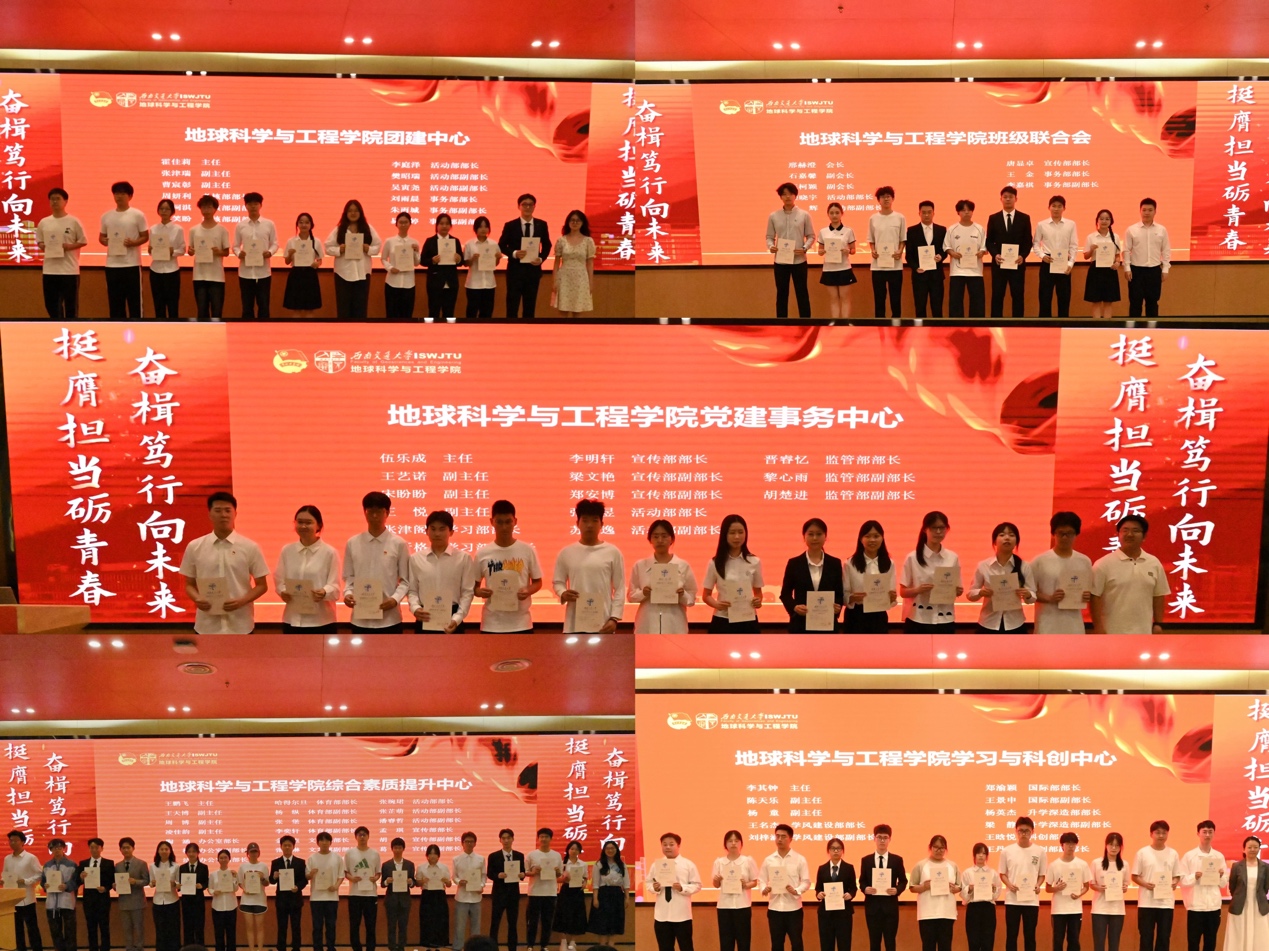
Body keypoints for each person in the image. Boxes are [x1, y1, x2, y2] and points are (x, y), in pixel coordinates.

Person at [179, 491, 269, 635]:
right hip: (207, 625)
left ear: (235, 514)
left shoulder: (250, 547)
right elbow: (189, 584)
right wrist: (197, 598)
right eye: (218, 510)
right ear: (209, 514)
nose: (223, 515)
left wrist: (241, 601)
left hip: (241, 624)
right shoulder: (195, 546)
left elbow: (262, 585)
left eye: (228, 510)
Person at [552, 499, 625, 635]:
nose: (590, 525)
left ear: (602, 524)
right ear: (577, 523)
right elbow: (558, 582)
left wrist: (614, 618)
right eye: (585, 520)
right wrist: (563, 593)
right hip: (574, 624)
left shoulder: (613, 552)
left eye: (595, 520)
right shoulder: (566, 552)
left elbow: (620, 588)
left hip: (603, 623)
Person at [342, 490, 409, 632]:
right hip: (360, 619)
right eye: (370, 511)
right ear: (364, 512)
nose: (374, 516)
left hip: (390, 619)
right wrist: (348, 594)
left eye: (379, 511)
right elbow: (349, 577)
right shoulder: (353, 543)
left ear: (387, 513)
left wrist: (395, 599)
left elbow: (405, 580)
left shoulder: (399, 544)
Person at [1090, 515, 1169, 634]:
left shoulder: (1154, 563)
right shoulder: (1103, 564)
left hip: (1144, 632)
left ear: (1144, 536)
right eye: (1125, 530)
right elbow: (1094, 597)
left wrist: (1158, 623)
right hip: (1112, 633)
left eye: (1135, 531)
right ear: (1118, 534)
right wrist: (1098, 627)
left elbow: (1158, 595)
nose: (1130, 534)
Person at [474, 500, 543, 633]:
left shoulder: (527, 550)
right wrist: (480, 592)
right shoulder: (482, 553)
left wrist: (527, 591)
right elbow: (474, 587)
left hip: (521, 623)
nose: (504, 527)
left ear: (515, 521)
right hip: (491, 624)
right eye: (499, 522)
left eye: (508, 522)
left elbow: (538, 582)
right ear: (491, 522)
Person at [407, 510, 478, 633]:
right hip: (424, 616)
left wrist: (457, 618)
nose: (437, 533)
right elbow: (412, 590)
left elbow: (467, 592)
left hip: (453, 618)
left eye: (442, 529)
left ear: (451, 532)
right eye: (433, 529)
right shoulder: (415, 559)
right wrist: (415, 608)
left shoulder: (463, 558)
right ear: (426, 531)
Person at [274, 505, 340, 633]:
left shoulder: (329, 552)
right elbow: (279, 579)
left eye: (308, 522)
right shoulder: (287, 551)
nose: (303, 526)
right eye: (300, 522)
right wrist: (282, 591)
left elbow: (335, 586)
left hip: (322, 621)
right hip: (292, 619)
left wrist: (324, 592)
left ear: (319, 525)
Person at [629, 519, 699, 634]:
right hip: (647, 624)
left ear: (672, 539)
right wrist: (643, 593)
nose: (660, 540)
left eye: (664, 536)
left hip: (675, 624)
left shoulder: (683, 565)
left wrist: (682, 595)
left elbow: (691, 599)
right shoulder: (640, 565)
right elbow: (631, 596)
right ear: (650, 539)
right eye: (655, 536)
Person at [1031, 512, 1094, 634]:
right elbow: (1029, 593)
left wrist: (1087, 595)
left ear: (1076, 534)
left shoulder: (1084, 561)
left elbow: (1088, 589)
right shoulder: (1039, 561)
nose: (1065, 537)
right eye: (1061, 533)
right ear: (1053, 534)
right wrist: (1050, 598)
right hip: (1047, 624)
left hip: (1074, 625)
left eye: (1069, 533)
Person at [899, 511, 962, 633]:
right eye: (934, 528)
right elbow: (903, 592)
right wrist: (918, 590)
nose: (938, 532)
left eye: (942, 528)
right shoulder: (912, 557)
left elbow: (957, 588)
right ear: (925, 529)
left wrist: (957, 591)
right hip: (918, 619)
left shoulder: (953, 557)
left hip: (945, 619)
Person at [779, 518, 844, 633]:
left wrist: (837, 606)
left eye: (819, 534)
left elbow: (839, 593)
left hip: (827, 624)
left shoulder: (835, 563)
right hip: (800, 624)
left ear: (825, 536)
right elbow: (785, 594)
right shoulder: (794, 563)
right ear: (804, 537)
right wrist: (794, 607)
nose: (815, 538)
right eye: (810, 534)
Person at [967, 522, 1035, 633]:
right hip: (988, 622)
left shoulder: (1024, 566)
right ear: (994, 541)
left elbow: (1032, 597)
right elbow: (970, 595)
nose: (1007, 538)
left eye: (1011, 535)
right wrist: (980, 592)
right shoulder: (983, 566)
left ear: (1016, 541)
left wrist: (1027, 594)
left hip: (1015, 623)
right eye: (1002, 535)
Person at [702, 514, 764, 633]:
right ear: (724, 535)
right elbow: (706, 595)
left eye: (741, 532)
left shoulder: (754, 561)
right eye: (732, 533)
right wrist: (716, 604)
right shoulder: (714, 563)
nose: (737, 537)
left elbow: (758, 593)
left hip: (748, 618)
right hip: (722, 619)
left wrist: (758, 601)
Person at [98, 181, 148, 319]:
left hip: (132, 264)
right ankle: (117, 329)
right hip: (112, 265)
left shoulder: (137, 215)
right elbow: (101, 237)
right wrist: (104, 241)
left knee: (134, 302)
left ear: (130, 196)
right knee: (115, 303)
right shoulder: (106, 216)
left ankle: (137, 328)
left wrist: (133, 243)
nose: (118, 196)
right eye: (116, 193)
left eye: (122, 193)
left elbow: (145, 236)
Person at [36, 187, 88, 319]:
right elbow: (40, 242)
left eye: (58, 199)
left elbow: (83, 241)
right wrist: (44, 246)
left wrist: (69, 246)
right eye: (52, 199)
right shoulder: (44, 222)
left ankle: (71, 329)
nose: (54, 201)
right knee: (51, 305)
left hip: (69, 270)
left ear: (65, 201)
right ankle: (56, 329)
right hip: (50, 270)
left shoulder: (73, 221)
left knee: (71, 306)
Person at [766, 182, 815, 319]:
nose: (787, 197)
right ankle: (782, 323)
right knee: (782, 293)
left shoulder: (804, 215)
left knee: (802, 292)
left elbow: (811, 236)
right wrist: (771, 246)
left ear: (795, 195)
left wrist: (804, 248)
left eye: (790, 194)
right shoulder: (774, 216)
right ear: (780, 197)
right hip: (780, 261)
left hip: (799, 261)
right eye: (784, 194)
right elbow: (769, 237)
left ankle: (806, 322)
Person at [758, 824, 811, 951]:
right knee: (776, 944)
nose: (779, 839)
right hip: (775, 908)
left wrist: (796, 890)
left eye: (783, 836)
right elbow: (761, 880)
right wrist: (764, 888)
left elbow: (806, 882)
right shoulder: (768, 860)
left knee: (796, 943)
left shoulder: (800, 859)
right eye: (777, 836)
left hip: (794, 909)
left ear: (790, 838)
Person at [326, 199, 381, 319]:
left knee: (360, 308)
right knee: (343, 308)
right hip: (343, 273)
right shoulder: (339, 229)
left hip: (362, 273)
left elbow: (377, 246)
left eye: (356, 210)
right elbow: (327, 247)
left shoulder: (368, 228)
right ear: (345, 213)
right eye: (350, 211)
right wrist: (339, 250)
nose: (353, 213)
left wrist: (368, 249)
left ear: (360, 213)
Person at [499, 194, 551, 318]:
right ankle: (511, 329)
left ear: (534, 207)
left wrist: (541, 258)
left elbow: (547, 245)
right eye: (524, 204)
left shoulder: (541, 224)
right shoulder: (510, 225)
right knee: (512, 306)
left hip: (533, 272)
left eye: (530, 205)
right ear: (519, 206)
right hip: (515, 272)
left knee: (530, 307)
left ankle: (528, 329)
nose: (527, 207)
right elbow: (501, 245)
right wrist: (514, 253)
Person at [1132, 821, 1181, 951]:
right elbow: (1135, 876)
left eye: (1164, 833)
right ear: (1151, 834)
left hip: (1166, 903)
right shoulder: (1142, 853)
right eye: (1157, 832)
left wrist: (1175, 882)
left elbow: (1177, 875)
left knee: (1164, 938)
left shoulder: (1173, 853)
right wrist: (1146, 884)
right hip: (1146, 903)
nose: (1161, 835)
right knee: (1146, 937)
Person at [1000, 817, 1046, 951]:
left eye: (1027, 831)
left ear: (1032, 832)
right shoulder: (1007, 851)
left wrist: (1038, 885)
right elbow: (1002, 874)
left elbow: (1042, 875)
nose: (1024, 833)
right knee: (1011, 935)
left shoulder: (1040, 851)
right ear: (1016, 831)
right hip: (1012, 900)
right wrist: (1009, 885)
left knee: (1030, 936)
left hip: (1031, 901)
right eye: (1021, 831)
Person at [986, 186, 1032, 318]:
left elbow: (1028, 241)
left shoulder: (1024, 218)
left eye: (1010, 197)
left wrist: (1022, 256)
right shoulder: (993, 218)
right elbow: (989, 241)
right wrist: (995, 254)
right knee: (997, 296)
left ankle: (1018, 324)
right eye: (1005, 197)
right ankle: (995, 324)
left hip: (1017, 264)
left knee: (1017, 296)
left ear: (1016, 199)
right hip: (999, 264)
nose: (1007, 199)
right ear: (1000, 199)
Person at [908, 836, 960, 951]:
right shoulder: (921, 865)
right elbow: (912, 887)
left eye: (942, 848)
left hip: (946, 913)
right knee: (928, 946)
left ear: (946, 849)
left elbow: (959, 886)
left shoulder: (952, 865)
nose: (939, 850)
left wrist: (953, 888)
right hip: (927, 914)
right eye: (936, 847)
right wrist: (924, 887)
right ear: (930, 847)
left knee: (945, 947)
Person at [1181, 821, 1228, 951]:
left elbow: (1224, 883)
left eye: (1210, 832)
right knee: (1193, 942)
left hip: (1213, 906)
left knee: (1211, 942)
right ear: (1198, 833)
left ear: (1214, 834)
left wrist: (1220, 876)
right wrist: (1194, 877)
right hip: (1195, 906)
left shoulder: (1218, 856)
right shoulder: (1189, 856)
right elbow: (1182, 880)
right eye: (1204, 832)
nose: (1207, 835)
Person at [844, 520, 897, 633]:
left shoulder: (889, 563)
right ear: (860, 539)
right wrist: (852, 598)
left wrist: (892, 598)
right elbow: (844, 593)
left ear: (882, 538)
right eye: (867, 536)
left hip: (879, 615)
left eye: (876, 536)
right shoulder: (850, 563)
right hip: (856, 616)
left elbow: (891, 593)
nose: (872, 540)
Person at [651, 833, 701, 951]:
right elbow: (649, 882)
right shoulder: (656, 865)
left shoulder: (688, 865)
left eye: (671, 844)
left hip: (682, 915)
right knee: (664, 948)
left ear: (678, 845)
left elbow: (697, 885)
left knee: (686, 947)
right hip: (662, 915)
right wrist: (655, 887)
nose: (668, 847)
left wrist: (682, 888)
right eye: (664, 844)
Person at [860, 825, 906, 951]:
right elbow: (862, 881)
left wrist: (897, 890)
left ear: (889, 839)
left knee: (890, 942)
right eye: (879, 837)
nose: (882, 840)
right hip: (872, 908)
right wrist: (865, 889)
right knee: (874, 943)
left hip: (890, 908)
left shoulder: (897, 860)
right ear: (874, 838)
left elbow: (903, 881)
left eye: (885, 837)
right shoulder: (866, 860)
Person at [1123, 199, 1170, 318]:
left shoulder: (1161, 230)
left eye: (1150, 210)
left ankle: (1152, 328)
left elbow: (1165, 250)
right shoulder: (1131, 229)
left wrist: (1165, 269)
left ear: (1155, 211)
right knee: (1135, 303)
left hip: (1154, 271)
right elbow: (1126, 250)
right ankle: (1134, 328)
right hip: (1136, 271)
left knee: (1152, 303)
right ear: (1140, 211)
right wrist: (1127, 268)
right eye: (1144, 210)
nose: (1147, 213)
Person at [234, 191, 278, 319]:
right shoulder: (240, 225)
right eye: (250, 204)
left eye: (256, 203)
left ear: (260, 205)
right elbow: (235, 246)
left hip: (264, 272)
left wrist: (269, 252)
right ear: (245, 206)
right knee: (247, 307)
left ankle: (264, 330)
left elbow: (275, 244)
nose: (253, 206)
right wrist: (239, 253)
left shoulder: (269, 224)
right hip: (245, 273)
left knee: (264, 306)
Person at [713, 831, 758, 951]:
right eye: (730, 841)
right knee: (726, 942)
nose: (733, 843)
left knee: (744, 941)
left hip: (742, 905)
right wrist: (717, 880)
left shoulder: (748, 861)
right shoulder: (719, 862)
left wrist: (745, 885)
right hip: (724, 906)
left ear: (741, 844)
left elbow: (754, 881)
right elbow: (716, 885)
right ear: (725, 844)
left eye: (736, 841)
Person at [1034, 195, 1078, 318]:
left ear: (1064, 208)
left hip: (1064, 263)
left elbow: (1074, 246)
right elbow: (1036, 243)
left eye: (1059, 206)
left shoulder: (1071, 224)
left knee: (1064, 298)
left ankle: (1063, 324)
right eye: (1054, 206)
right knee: (1045, 297)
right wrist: (1042, 255)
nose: (1056, 209)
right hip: (1047, 261)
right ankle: (1045, 326)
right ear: (1049, 207)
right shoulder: (1041, 224)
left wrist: (1070, 263)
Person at [188, 194, 230, 321]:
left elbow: (226, 252)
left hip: (216, 276)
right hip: (199, 275)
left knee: (217, 311)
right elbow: (190, 250)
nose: (206, 210)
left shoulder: (222, 230)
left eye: (209, 207)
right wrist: (190, 251)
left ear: (215, 209)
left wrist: (218, 252)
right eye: (204, 207)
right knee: (202, 311)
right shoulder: (194, 230)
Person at [944, 200, 989, 318]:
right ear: (958, 212)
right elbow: (946, 246)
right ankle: (956, 325)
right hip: (957, 271)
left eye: (969, 210)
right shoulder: (952, 229)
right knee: (955, 301)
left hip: (975, 271)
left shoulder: (979, 228)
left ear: (972, 212)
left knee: (977, 302)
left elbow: (984, 247)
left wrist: (981, 252)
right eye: (963, 210)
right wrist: (952, 253)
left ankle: (977, 324)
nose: (966, 212)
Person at [1047, 833, 1091, 951]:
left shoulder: (1082, 864)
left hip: (1075, 909)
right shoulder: (1054, 865)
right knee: (1058, 940)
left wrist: (1079, 894)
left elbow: (1086, 886)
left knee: (1074, 940)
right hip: (1058, 909)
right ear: (1062, 845)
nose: (1071, 846)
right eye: (1067, 843)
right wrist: (1057, 888)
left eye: (1073, 844)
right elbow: (1047, 888)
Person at [1223, 837, 1268, 951]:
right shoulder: (1236, 866)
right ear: (1244, 849)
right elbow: (1232, 886)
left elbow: (1266, 887)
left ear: (1259, 849)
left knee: (1260, 933)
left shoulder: (1265, 866)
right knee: (1238, 934)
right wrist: (1240, 897)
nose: (1252, 849)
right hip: (1240, 905)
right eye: (1249, 847)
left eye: (1255, 847)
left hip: (1259, 905)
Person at [867, 186, 906, 318]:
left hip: (895, 265)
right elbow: (871, 240)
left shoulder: (900, 217)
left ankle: (896, 323)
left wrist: (900, 251)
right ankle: (879, 324)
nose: (886, 199)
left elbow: (903, 239)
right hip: (878, 266)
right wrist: (873, 251)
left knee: (896, 298)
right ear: (878, 200)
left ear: (893, 199)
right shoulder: (873, 218)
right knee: (879, 298)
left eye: (888, 196)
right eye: (883, 197)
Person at [814, 838, 857, 951]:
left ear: (843, 851)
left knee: (844, 945)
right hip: (826, 915)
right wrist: (819, 894)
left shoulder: (849, 868)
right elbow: (818, 888)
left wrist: (850, 895)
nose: (836, 851)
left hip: (844, 914)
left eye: (839, 848)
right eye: (833, 848)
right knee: (826, 945)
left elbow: (853, 888)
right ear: (828, 851)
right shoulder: (822, 868)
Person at [816, 202, 857, 318]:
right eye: (832, 213)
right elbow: (820, 250)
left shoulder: (848, 231)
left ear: (842, 214)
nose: (834, 215)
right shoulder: (823, 231)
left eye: (837, 213)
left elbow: (853, 250)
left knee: (845, 298)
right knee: (833, 299)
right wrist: (821, 252)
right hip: (829, 269)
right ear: (828, 214)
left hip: (844, 268)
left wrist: (848, 251)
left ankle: (844, 323)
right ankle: (835, 323)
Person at [905, 201, 946, 318]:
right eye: (923, 212)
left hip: (936, 276)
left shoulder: (941, 230)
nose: (926, 215)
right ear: (919, 213)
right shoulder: (911, 231)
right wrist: (916, 267)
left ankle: (938, 329)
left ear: (934, 213)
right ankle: (920, 329)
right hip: (919, 276)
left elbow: (945, 249)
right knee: (920, 308)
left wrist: (941, 256)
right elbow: (909, 255)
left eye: (929, 212)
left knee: (937, 308)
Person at [147, 198, 186, 320]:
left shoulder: (178, 229)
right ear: (158, 211)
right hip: (155, 270)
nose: (164, 211)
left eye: (167, 209)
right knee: (158, 304)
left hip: (171, 270)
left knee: (173, 304)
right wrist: (150, 250)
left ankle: (174, 327)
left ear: (172, 211)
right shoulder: (153, 229)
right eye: (161, 209)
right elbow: (151, 249)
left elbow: (182, 249)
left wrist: (172, 252)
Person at [526, 829, 564, 951]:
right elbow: (525, 872)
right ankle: (530, 945)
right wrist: (533, 872)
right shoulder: (532, 855)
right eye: (541, 836)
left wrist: (557, 872)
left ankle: (544, 945)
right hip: (535, 892)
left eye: (546, 836)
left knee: (547, 921)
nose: (543, 839)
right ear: (538, 838)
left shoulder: (556, 855)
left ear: (550, 839)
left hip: (550, 892)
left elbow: (559, 874)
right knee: (533, 921)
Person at [552, 210, 596, 316]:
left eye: (578, 220)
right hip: (564, 277)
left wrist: (590, 282)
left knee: (577, 310)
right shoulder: (561, 240)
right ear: (568, 222)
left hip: (581, 278)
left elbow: (590, 264)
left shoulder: (588, 241)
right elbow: (556, 263)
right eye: (572, 220)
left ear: (582, 223)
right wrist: (554, 281)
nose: (575, 223)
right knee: (563, 309)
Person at [345, 826, 382, 951]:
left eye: (364, 835)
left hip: (370, 895)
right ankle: (357, 948)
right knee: (354, 925)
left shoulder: (375, 854)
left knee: (370, 925)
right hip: (354, 894)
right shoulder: (350, 853)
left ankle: (370, 948)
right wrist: (352, 878)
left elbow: (378, 873)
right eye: (359, 835)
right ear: (356, 837)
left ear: (368, 837)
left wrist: (375, 878)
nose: (362, 837)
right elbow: (345, 872)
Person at [489, 829, 526, 951]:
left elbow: (522, 872)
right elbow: (489, 873)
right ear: (500, 840)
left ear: (513, 839)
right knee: (495, 923)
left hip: (513, 895)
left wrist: (522, 875)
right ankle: (493, 948)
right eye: (503, 838)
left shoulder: (519, 855)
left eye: (508, 838)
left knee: (513, 924)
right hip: (499, 894)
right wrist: (498, 875)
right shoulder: (493, 856)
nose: (506, 840)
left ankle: (512, 948)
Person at [1082, 209, 1122, 318]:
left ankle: (1107, 325)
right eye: (1102, 219)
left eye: (1107, 219)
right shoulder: (1091, 237)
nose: (1104, 221)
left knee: (1109, 301)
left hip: (1110, 270)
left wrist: (1117, 262)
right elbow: (1086, 256)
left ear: (1111, 221)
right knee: (1096, 301)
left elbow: (1117, 255)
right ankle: (1097, 325)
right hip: (1095, 271)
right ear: (1097, 220)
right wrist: (1091, 250)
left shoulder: (1115, 237)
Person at [421, 213, 462, 321]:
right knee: (433, 312)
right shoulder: (430, 241)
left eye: (447, 224)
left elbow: (461, 262)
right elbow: (422, 260)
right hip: (434, 282)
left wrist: (458, 259)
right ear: (437, 225)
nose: (444, 226)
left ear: (450, 226)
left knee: (449, 314)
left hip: (451, 282)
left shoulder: (455, 241)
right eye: (441, 223)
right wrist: (432, 260)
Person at [1089, 833, 1126, 951]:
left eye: (1117, 845)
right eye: (1111, 844)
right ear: (1106, 845)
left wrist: (1124, 888)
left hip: (1117, 909)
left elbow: (1126, 884)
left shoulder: (1124, 864)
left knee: (1114, 944)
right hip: (1100, 908)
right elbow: (1091, 884)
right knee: (1099, 944)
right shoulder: (1096, 863)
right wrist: (1099, 888)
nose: (1114, 848)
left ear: (1121, 847)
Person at [588, 841, 628, 946]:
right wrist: (595, 898)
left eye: (612, 848)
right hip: (603, 894)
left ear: (616, 850)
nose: (610, 850)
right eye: (607, 848)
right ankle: (602, 946)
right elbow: (595, 883)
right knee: (602, 921)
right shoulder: (599, 864)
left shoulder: (621, 864)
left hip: (617, 894)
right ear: (604, 850)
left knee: (615, 921)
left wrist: (627, 897)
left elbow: (626, 883)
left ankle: (611, 946)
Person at [961, 843, 1000, 951]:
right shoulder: (967, 873)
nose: (981, 855)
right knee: (973, 941)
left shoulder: (993, 873)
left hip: (988, 908)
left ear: (987, 855)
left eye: (984, 853)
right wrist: (969, 888)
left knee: (988, 941)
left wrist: (993, 889)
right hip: (973, 908)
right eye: (978, 853)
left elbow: (997, 894)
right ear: (974, 855)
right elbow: (963, 893)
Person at [78, 837, 115, 951]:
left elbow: (112, 881)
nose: (94, 850)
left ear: (101, 848)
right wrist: (81, 877)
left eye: (96, 847)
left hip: (103, 899)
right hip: (88, 900)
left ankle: (105, 948)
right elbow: (78, 881)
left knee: (104, 927)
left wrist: (106, 888)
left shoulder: (109, 863)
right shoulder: (83, 863)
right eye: (91, 847)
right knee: (91, 927)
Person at [269, 836, 306, 951]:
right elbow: (271, 881)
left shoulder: (300, 862)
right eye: (285, 845)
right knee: (282, 927)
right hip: (282, 900)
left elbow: (304, 880)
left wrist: (298, 887)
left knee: (296, 926)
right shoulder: (276, 862)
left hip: (296, 899)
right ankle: (281, 948)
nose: (287, 847)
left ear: (293, 847)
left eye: (289, 845)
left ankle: (296, 948)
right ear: (281, 847)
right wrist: (274, 877)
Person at [282, 212, 322, 315]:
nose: (304, 225)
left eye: (307, 222)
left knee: (310, 308)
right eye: (301, 222)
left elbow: (319, 260)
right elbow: (287, 262)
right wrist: (290, 255)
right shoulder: (291, 241)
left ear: (311, 225)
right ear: (297, 224)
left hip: (310, 275)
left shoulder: (316, 241)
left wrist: (317, 264)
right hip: (296, 275)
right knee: (296, 308)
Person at [382, 212, 421, 320]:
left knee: (407, 317)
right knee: (391, 316)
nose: (403, 224)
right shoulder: (389, 241)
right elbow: (383, 259)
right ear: (396, 224)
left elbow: (417, 263)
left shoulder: (414, 242)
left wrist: (416, 252)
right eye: (401, 222)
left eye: (406, 222)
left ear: (410, 224)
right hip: (392, 283)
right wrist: (390, 268)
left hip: (409, 283)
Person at [306, 832, 341, 951]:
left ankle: (331, 947)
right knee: (317, 926)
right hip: (316, 898)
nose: (324, 843)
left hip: (332, 897)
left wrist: (336, 886)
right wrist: (310, 874)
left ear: (330, 842)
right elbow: (307, 876)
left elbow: (341, 875)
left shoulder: (337, 857)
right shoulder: (312, 858)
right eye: (321, 840)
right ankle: (317, 948)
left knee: (331, 925)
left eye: (327, 840)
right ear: (317, 843)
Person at [42, 838, 79, 951]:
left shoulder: (72, 864)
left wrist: (67, 886)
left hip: (67, 903)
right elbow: (43, 882)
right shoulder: (47, 865)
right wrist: (45, 885)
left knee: (70, 932)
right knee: (55, 932)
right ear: (51, 850)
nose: (57, 850)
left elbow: (76, 881)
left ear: (64, 849)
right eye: (54, 848)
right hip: (51, 904)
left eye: (59, 848)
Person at [452, 832, 485, 951]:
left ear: (475, 843)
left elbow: (483, 875)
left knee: (476, 927)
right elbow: (454, 876)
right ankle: (457, 948)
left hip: (476, 897)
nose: (469, 844)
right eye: (467, 841)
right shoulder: (456, 859)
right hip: (461, 897)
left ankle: (475, 949)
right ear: (462, 843)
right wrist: (459, 881)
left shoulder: (481, 859)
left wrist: (481, 886)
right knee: (460, 927)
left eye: (471, 841)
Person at [463, 215, 502, 318]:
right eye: (480, 227)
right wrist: (472, 259)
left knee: (487, 313)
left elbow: (494, 264)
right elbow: (465, 263)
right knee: (472, 312)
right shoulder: (469, 244)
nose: (483, 229)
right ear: (475, 228)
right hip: (473, 284)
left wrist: (498, 258)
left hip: (489, 284)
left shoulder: (493, 244)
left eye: (486, 226)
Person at [115, 837, 149, 951]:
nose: (126, 850)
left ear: (133, 848)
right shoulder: (117, 865)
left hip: (137, 901)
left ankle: (139, 948)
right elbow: (116, 881)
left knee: (139, 928)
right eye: (123, 848)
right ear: (120, 850)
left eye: (128, 847)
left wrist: (135, 882)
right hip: (123, 901)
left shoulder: (141, 863)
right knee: (126, 929)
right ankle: (129, 948)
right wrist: (115, 885)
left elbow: (147, 881)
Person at [382, 838, 416, 951]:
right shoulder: (386, 865)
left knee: (403, 925)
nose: (397, 850)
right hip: (391, 899)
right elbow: (382, 884)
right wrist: (387, 881)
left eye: (399, 848)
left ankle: (401, 946)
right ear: (392, 849)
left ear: (403, 849)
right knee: (391, 925)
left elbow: (414, 882)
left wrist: (411, 882)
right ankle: (391, 947)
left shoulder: (409, 864)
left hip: (404, 900)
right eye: (395, 848)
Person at [553, 841, 587, 951]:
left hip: (578, 891)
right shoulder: (563, 863)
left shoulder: (583, 864)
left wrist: (584, 883)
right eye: (572, 849)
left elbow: (585, 878)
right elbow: (556, 879)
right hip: (566, 890)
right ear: (568, 850)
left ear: (580, 851)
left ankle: (573, 942)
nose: (574, 851)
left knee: (577, 915)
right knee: (563, 915)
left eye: (576, 849)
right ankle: (563, 941)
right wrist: (564, 878)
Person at [417, 844, 451, 951]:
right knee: (427, 919)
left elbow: (449, 884)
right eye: (430, 853)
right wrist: (422, 881)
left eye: (435, 853)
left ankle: (440, 943)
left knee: (440, 919)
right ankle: (427, 943)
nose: (433, 856)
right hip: (427, 895)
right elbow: (417, 883)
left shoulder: (444, 867)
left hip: (440, 895)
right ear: (427, 855)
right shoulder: (421, 867)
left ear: (438, 855)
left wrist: (446, 881)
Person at [237, 843, 269, 951]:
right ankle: (251, 949)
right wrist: (244, 889)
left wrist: (262, 878)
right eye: (251, 852)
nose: (253, 854)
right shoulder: (243, 866)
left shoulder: (263, 866)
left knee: (260, 927)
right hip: (246, 900)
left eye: (255, 851)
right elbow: (240, 882)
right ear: (248, 853)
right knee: (249, 928)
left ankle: (259, 949)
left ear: (259, 853)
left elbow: (267, 883)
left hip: (260, 900)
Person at [151, 840, 181, 951]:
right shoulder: (152, 866)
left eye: (166, 849)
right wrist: (152, 883)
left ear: (170, 851)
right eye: (161, 849)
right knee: (160, 929)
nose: (164, 851)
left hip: (172, 900)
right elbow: (151, 883)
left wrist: (175, 884)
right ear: (158, 851)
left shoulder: (176, 866)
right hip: (158, 901)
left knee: (173, 929)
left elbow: (179, 883)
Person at [179, 843, 209, 945]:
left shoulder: (204, 867)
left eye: (194, 851)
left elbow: (206, 882)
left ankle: (200, 948)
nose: (191, 854)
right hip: (186, 901)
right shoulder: (182, 868)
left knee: (199, 927)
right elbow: (180, 883)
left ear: (198, 853)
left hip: (198, 901)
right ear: (186, 853)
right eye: (189, 852)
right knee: (187, 927)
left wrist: (202, 886)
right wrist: (179, 886)